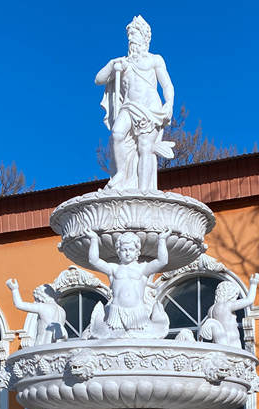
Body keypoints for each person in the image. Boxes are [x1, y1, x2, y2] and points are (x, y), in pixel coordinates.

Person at [95, 15, 175, 191]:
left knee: (145, 147)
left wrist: (168, 103)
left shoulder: (155, 60)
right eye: (129, 35)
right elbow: (98, 79)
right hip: (129, 107)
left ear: (144, 37)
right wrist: (112, 64)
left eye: (135, 34)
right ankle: (121, 173)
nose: (131, 38)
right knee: (117, 133)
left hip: (150, 109)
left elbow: (167, 85)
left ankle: (144, 191)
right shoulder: (123, 64)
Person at [84, 230, 170, 337]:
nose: (128, 253)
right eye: (124, 250)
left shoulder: (142, 269)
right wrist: (93, 239)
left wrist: (162, 240)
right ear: (118, 252)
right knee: (111, 340)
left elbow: (162, 261)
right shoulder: (113, 269)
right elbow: (94, 261)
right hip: (115, 314)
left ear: (137, 252)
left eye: (131, 249)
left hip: (138, 314)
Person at [199, 275, 259, 348]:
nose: (235, 298)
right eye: (235, 295)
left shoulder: (211, 309)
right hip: (232, 344)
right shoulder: (227, 305)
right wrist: (254, 284)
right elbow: (249, 300)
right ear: (231, 294)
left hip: (218, 344)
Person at [6, 278, 67, 345]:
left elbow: (19, 304)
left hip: (42, 345)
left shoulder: (43, 307)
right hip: (55, 346)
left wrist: (14, 289)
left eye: (37, 299)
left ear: (41, 296)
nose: (38, 301)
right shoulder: (62, 311)